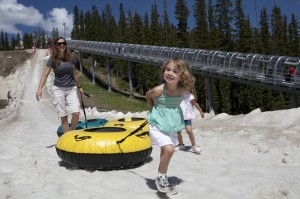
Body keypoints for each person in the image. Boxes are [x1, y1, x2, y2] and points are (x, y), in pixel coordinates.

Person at [146, 58, 194, 194]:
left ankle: (161, 176)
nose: (170, 73)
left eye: (175, 71)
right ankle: (162, 178)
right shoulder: (159, 90)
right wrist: (152, 109)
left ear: (182, 76)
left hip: (171, 125)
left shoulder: (183, 90)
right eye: (168, 69)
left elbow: (190, 95)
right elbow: (148, 96)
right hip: (157, 123)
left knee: (165, 151)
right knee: (169, 150)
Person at [36, 37, 84, 133]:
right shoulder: (52, 59)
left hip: (71, 89)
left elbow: (75, 74)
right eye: (59, 44)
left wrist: (80, 87)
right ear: (56, 46)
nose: (62, 45)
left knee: (76, 113)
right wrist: (40, 88)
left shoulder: (71, 58)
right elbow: (45, 75)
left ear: (66, 45)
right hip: (58, 89)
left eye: (63, 43)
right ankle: (67, 136)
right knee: (63, 115)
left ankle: (72, 132)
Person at [175, 88, 205, 154]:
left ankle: (193, 145)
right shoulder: (178, 95)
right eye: (184, 88)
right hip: (178, 116)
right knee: (178, 131)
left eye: (187, 88)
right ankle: (181, 144)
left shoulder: (190, 96)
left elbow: (195, 104)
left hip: (187, 116)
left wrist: (201, 111)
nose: (185, 89)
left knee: (189, 130)